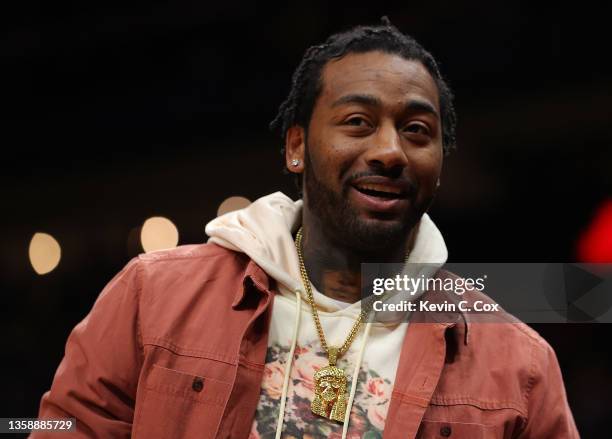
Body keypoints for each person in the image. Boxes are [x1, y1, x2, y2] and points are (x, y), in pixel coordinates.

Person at [33, 18, 579, 439]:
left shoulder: (517, 363)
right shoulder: (153, 296)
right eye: (357, 122)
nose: (389, 151)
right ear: (296, 146)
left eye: (416, 130)